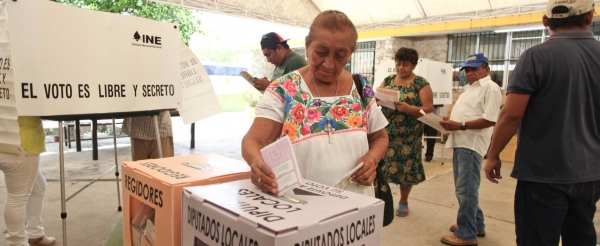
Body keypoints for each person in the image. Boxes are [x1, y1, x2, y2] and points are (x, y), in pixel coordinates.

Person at [484, 0, 600, 245]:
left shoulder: (535, 56)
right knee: (581, 237)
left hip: (542, 174)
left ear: (545, 21)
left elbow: (512, 114)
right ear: (590, 17)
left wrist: (493, 154)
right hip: (590, 173)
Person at [241, 10, 389, 197]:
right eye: (320, 52)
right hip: (303, 211)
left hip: (357, 211)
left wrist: (372, 159)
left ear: (350, 54)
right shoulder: (284, 89)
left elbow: (380, 137)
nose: (328, 64)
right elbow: (254, 140)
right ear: (307, 45)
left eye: (340, 56)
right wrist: (257, 163)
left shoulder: (360, 88)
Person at [439, 53, 501, 246]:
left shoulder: (490, 88)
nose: (470, 73)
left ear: (487, 69)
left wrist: (460, 126)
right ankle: (476, 224)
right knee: (467, 188)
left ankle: (466, 234)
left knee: (466, 190)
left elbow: (490, 119)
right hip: (462, 141)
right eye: (467, 70)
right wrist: (452, 123)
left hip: (471, 144)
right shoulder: (471, 89)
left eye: (475, 69)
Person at [377, 47, 433, 217]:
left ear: (414, 65)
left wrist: (410, 109)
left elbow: (428, 110)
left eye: (405, 64)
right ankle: (382, 199)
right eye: (398, 63)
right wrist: (376, 99)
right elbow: (377, 98)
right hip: (387, 132)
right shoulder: (388, 81)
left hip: (409, 135)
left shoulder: (421, 84)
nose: (401, 68)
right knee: (383, 167)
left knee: (406, 170)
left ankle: (403, 201)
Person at [0, 117, 56, 246]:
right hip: (21, 143)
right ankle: (16, 242)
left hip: (6, 139)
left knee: (39, 187)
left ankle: (35, 233)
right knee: (17, 198)